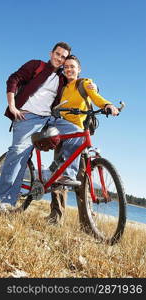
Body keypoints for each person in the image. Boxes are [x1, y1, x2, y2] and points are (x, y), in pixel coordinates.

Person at [0, 43, 90, 212]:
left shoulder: (61, 79)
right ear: (51, 53)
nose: (59, 58)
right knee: (19, 153)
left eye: (62, 57)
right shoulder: (36, 65)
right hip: (28, 116)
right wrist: (12, 105)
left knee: (76, 132)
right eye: (57, 54)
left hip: (50, 119)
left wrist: (93, 88)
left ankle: (57, 173)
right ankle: (3, 201)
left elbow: (78, 84)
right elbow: (13, 79)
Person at [45, 54, 119, 225]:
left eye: (72, 66)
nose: (69, 69)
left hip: (79, 135)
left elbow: (95, 96)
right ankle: (56, 218)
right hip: (62, 134)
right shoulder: (62, 86)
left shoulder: (84, 83)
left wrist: (106, 105)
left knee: (82, 179)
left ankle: (87, 223)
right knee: (59, 173)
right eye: (66, 67)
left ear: (79, 69)